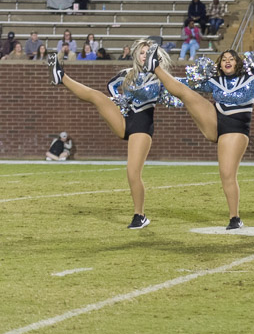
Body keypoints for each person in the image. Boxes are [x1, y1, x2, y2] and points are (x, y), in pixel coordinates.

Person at [147, 47, 254, 228]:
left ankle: (235, 218)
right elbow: (184, 83)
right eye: (224, 58)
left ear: (238, 63)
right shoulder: (214, 81)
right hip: (215, 123)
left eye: (232, 59)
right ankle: (155, 67)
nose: (227, 61)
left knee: (227, 175)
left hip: (235, 130)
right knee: (185, 93)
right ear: (219, 64)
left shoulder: (251, 78)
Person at [47, 40, 174, 228]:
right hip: (124, 121)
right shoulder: (127, 75)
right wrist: (120, 101)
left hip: (142, 127)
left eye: (148, 53)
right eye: (141, 53)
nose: (144, 56)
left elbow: (178, 93)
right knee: (98, 97)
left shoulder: (160, 78)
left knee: (132, 172)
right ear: (136, 56)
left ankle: (140, 215)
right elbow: (111, 86)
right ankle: (61, 77)